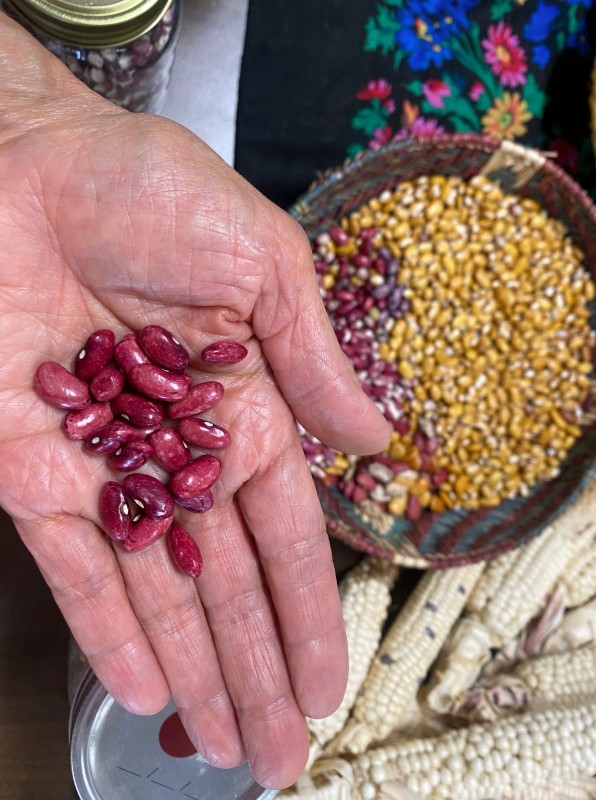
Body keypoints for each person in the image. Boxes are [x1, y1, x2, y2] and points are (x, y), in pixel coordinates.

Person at [0, 13, 391, 789]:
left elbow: (151, 418)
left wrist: (22, 115)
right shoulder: (136, 416)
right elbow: (133, 415)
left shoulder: (161, 424)